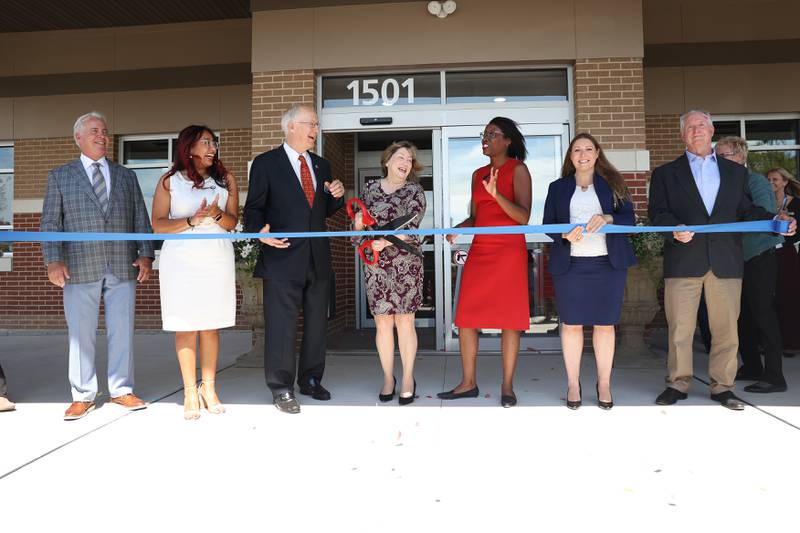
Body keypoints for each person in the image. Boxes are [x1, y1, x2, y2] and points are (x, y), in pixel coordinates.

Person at [648, 110, 796, 410]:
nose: (696, 130)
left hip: (726, 261)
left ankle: (723, 387)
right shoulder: (665, 173)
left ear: (711, 130)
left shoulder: (736, 173)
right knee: (680, 330)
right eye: (690, 127)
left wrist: (773, 219)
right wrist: (673, 229)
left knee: (726, 330)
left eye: (701, 125)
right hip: (683, 259)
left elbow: (745, 211)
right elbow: (658, 214)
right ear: (682, 135)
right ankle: (677, 383)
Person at [40, 111, 154, 420]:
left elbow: (140, 218)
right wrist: (52, 260)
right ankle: (83, 394)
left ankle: (121, 390)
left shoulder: (126, 176)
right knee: (80, 333)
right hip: (78, 265)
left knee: (122, 330)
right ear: (78, 137)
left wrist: (146, 254)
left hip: (122, 262)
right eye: (94, 130)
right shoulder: (60, 176)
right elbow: (50, 222)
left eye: (104, 130)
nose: (101, 135)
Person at [243, 104, 345, 414]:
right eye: (310, 123)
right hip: (282, 255)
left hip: (317, 259)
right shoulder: (266, 163)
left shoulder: (321, 165)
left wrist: (336, 197)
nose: (315, 129)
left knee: (316, 325)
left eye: (316, 124)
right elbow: (253, 209)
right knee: (282, 327)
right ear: (290, 127)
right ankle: (281, 387)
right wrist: (259, 233)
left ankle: (311, 379)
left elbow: (322, 211)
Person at [438, 117, 532, 408]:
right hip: (481, 252)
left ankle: (507, 386)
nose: (486, 138)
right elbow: (478, 218)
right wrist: (459, 228)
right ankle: (468, 383)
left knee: (510, 321)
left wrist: (497, 194)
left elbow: (523, 217)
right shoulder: (477, 174)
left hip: (508, 253)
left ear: (508, 141)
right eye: (485, 133)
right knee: (466, 318)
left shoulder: (518, 170)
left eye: (493, 134)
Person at [542, 133, 636, 410]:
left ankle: (603, 383)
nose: (582, 154)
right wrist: (564, 235)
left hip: (608, 264)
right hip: (570, 266)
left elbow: (629, 219)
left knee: (605, 326)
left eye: (587, 149)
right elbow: (548, 224)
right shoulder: (558, 187)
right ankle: (573, 383)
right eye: (576, 150)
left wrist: (608, 218)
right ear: (570, 157)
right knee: (571, 325)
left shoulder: (614, 183)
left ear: (597, 153)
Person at [152, 125, 239, 419]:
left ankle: (209, 387)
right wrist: (192, 219)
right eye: (206, 142)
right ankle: (190, 390)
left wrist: (215, 214)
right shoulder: (169, 181)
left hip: (216, 258)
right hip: (182, 261)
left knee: (211, 324)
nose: (212, 147)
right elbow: (158, 225)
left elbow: (233, 223)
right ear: (189, 147)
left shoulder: (226, 180)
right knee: (187, 324)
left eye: (214, 142)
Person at [352, 141, 426, 405]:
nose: (405, 162)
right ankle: (388, 378)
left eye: (409, 159)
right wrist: (359, 226)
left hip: (406, 263)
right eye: (400, 157)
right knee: (383, 322)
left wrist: (386, 241)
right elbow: (358, 225)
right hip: (376, 265)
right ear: (387, 161)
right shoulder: (370, 189)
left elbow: (413, 224)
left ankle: (407, 378)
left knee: (405, 321)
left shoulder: (415, 190)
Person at [715, 137, 786, 393]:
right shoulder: (722, 184)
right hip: (735, 259)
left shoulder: (755, 181)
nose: (716, 160)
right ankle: (753, 366)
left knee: (762, 314)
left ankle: (775, 376)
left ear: (739, 156)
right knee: (741, 316)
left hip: (759, 256)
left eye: (722, 155)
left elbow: (763, 215)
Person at [767, 167, 800, 356]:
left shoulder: (796, 204)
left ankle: (790, 342)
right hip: (766, 252)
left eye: (775, 179)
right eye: (769, 179)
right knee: (768, 299)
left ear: (785, 182)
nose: (771, 183)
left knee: (787, 296)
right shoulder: (765, 203)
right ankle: (770, 342)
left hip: (787, 254)